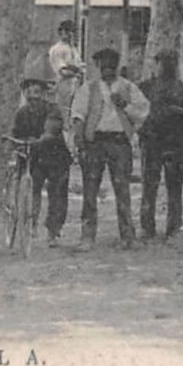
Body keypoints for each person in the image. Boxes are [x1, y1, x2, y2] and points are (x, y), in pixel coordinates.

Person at [69, 47, 150, 250]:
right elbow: (78, 115)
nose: (107, 70)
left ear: (117, 66)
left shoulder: (129, 87)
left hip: (119, 142)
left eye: (111, 66)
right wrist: (79, 140)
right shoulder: (89, 88)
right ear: (98, 67)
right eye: (104, 66)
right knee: (90, 189)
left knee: (122, 189)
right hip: (94, 142)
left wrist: (125, 106)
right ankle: (87, 237)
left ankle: (127, 236)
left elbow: (142, 113)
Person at [138, 49, 183, 241]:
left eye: (171, 62)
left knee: (175, 187)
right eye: (163, 61)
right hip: (151, 143)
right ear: (156, 64)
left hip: (176, 143)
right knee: (149, 186)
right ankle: (147, 227)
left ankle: (174, 228)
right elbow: (135, 112)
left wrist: (178, 111)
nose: (167, 66)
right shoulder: (144, 87)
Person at [30, 112, 73, 246]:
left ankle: (53, 230)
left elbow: (68, 155)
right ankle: (32, 223)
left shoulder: (64, 136)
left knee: (57, 196)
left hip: (58, 166)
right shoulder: (38, 136)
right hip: (39, 164)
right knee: (34, 191)